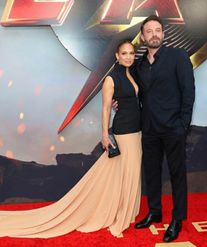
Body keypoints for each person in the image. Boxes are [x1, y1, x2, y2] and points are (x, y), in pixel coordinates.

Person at [0, 40, 142, 238]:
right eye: (124, 53)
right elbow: (105, 108)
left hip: (136, 131)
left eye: (131, 53)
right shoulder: (111, 79)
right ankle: (120, 218)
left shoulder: (131, 74)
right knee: (128, 172)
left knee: (127, 173)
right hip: (124, 131)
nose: (128, 57)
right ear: (117, 56)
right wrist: (103, 134)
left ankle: (126, 210)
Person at [132, 15, 195, 243]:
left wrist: (183, 125)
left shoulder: (178, 56)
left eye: (157, 30)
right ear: (143, 36)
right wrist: (121, 100)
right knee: (152, 173)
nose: (154, 34)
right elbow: (135, 92)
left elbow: (188, 92)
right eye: (149, 31)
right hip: (149, 129)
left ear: (163, 34)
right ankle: (155, 212)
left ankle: (177, 218)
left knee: (177, 174)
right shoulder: (138, 65)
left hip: (173, 128)